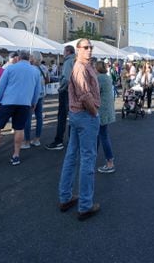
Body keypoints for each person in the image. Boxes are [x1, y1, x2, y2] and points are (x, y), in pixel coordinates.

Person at [58, 39, 101, 220]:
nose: (89, 50)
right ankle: (85, 205)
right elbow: (84, 94)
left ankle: (66, 197)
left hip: (77, 116)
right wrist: (94, 112)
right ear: (78, 50)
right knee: (87, 159)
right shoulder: (80, 67)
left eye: (91, 47)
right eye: (86, 47)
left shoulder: (84, 65)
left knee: (72, 156)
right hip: (85, 116)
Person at [0, 51, 41, 165]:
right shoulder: (35, 71)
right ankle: (16, 155)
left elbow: (1, 86)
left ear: (18, 58)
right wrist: (34, 103)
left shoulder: (10, 68)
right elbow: (37, 90)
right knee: (19, 128)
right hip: (24, 103)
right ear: (29, 59)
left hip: (8, 101)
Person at [46, 45, 75, 151]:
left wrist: (60, 88)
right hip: (74, 92)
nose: (63, 53)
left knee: (62, 117)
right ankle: (72, 141)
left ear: (67, 51)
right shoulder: (76, 60)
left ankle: (59, 141)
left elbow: (66, 79)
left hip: (66, 92)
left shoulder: (68, 61)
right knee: (72, 117)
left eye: (64, 51)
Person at [23, 51, 48, 149]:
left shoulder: (31, 69)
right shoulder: (44, 68)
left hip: (32, 96)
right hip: (41, 94)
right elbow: (48, 80)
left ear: (33, 58)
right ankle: (37, 139)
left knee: (28, 119)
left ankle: (27, 141)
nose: (30, 58)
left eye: (31, 57)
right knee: (39, 117)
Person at [96, 60, 116, 173]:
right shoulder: (107, 77)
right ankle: (96, 157)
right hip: (107, 111)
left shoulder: (99, 78)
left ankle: (110, 162)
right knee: (100, 135)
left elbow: (95, 93)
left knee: (103, 136)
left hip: (102, 111)